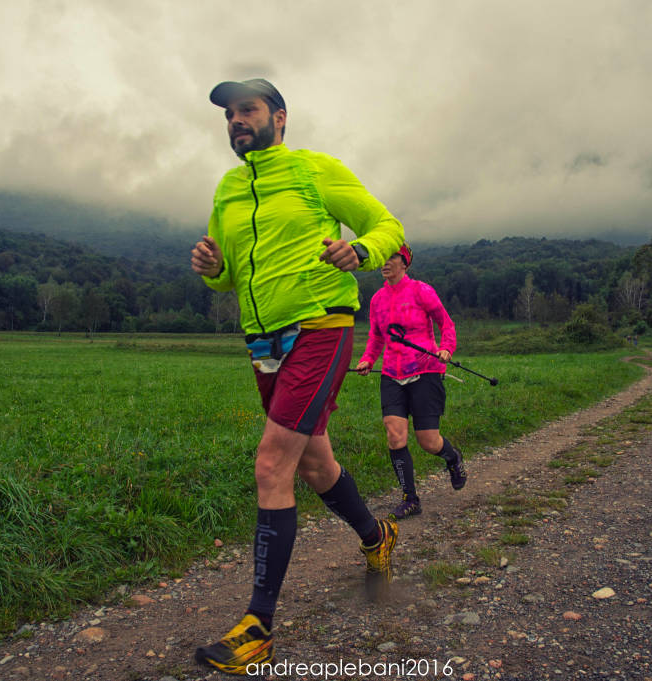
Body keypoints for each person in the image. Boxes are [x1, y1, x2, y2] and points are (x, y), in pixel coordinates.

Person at [189, 78, 405, 675]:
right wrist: (211, 268)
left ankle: (259, 628)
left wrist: (358, 252)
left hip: (321, 327)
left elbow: (387, 226)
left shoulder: (315, 170)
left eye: (247, 110)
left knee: (270, 464)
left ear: (279, 118)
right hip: (263, 341)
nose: (236, 121)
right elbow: (226, 274)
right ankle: (376, 534)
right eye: (229, 114)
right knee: (314, 464)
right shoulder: (229, 187)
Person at [354, 243, 467, 520]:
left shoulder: (421, 290)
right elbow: (377, 337)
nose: (385, 262)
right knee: (395, 436)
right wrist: (369, 358)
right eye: (382, 258)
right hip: (392, 373)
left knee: (428, 441)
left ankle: (453, 458)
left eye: (391, 257)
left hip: (426, 369)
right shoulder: (377, 299)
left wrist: (446, 349)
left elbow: (446, 323)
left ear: (404, 263)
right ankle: (410, 498)